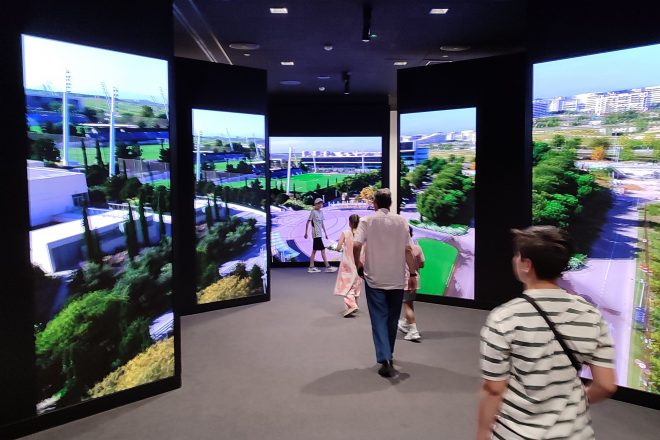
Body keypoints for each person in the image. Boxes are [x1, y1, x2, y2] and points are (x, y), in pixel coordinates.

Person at [477, 226, 617, 440]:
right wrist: (572, 405)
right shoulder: (591, 314)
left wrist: (482, 432)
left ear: (526, 265)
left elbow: (494, 389)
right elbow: (606, 385)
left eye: (517, 255)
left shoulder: (504, 317)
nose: (514, 259)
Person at [353, 188, 416, 378]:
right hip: (396, 278)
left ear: (375, 203)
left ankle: (385, 357)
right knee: (392, 318)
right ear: (390, 203)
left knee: (378, 318)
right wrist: (412, 273)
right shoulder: (401, 221)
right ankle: (389, 354)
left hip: (374, 278)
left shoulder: (367, 221)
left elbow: (356, 245)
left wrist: (358, 263)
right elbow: (408, 250)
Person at [398, 226, 425, 341]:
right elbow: (422, 264)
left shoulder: (399, 249)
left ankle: (413, 330)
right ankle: (405, 323)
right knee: (409, 303)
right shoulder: (417, 248)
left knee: (407, 305)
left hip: (406, 280)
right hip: (416, 280)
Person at [334, 214, 362, 317]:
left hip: (347, 263)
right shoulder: (361, 235)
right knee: (356, 283)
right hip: (358, 262)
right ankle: (355, 303)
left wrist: (337, 248)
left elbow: (338, 247)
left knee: (346, 284)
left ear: (349, 222)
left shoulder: (345, 233)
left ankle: (352, 305)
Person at [304, 198, 337, 273]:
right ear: (315, 204)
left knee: (314, 251)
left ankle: (311, 267)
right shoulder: (313, 212)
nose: (320, 205)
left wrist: (325, 233)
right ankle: (328, 266)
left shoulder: (321, 212)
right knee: (322, 250)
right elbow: (307, 222)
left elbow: (322, 224)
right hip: (316, 234)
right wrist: (306, 233)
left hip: (320, 234)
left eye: (321, 203)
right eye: (318, 203)